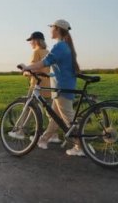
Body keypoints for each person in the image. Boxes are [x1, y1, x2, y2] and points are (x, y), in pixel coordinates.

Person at [18, 19, 84, 156]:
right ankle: (43, 139)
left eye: (51, 27)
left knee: (68, 120)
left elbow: (44, 62)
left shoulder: (59, 46)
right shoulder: (66, 46)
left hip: (62, 88)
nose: (50, 30)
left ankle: (81, 147)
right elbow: (60, 67)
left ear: (57, 29)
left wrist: (27, 67)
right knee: (55, 117)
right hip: (63, 85)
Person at [8, 31, 61, 143]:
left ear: (36, 41)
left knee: (28, 108)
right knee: (50, 112)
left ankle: (20, 132)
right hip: (48, 85)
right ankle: (54, 135)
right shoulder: (48, 51)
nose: (30, 43)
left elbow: (34, 69)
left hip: (37, 84)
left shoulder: (36, 52)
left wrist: (25, 71)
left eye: (31, 40)